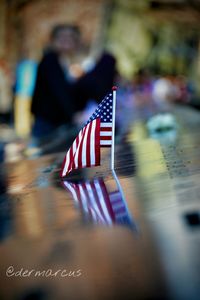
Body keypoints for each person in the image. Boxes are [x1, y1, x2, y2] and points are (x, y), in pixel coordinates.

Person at [31, 24, 116, 140]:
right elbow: (59, 90)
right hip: (47, 123)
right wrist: (74, 114)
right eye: (61, 37)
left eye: (70, 37)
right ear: (53, 40)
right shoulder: (50, 60)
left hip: (58, 121)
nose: (66, 40)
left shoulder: (66, 62)